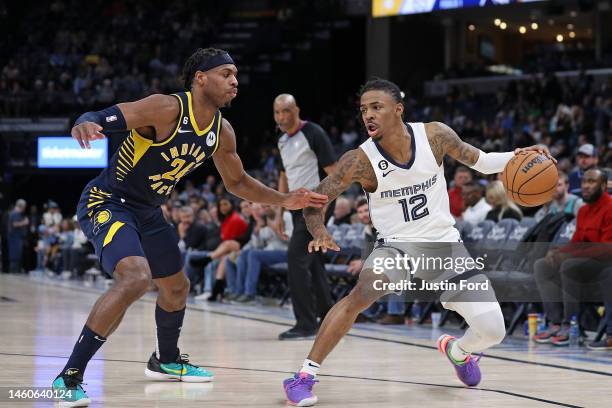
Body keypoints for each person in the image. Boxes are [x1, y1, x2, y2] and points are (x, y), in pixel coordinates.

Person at [53, 48, 328, 406]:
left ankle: (165, 360)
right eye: (226, 74)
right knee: (136, 277)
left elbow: (238, 182)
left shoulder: (221, 131)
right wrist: (86, 122)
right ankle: (68, 376)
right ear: (201, 78)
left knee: (177, 287)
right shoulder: (166, 108)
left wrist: (285, 200)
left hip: (149, 211)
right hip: (108, 200)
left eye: (236, 75)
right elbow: (102, 116)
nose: (235, 81)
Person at [282, 78, 552, 406]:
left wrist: (518, 156)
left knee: (494, 330)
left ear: (398, 109)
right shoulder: (359, 159)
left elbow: (480, 161)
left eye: (376, 107)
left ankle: (459, 350)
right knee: (361, 294)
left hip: (444, 246)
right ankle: (304, 376)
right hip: (397, 246)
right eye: (364, 109)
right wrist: (319, 231)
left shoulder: (434, 135)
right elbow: (316, 199)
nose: (368, 114)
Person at [273, 93, 337, 340]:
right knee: (314, 262)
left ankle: (305, 323)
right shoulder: (281, 140)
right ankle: (328, 317)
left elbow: (334, 175)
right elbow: (284, 176)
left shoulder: (314, 133)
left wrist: (322, 211)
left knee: (295, 257)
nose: (281, 117)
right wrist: (279, 211)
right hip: (294, 206)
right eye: (277, 112)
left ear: (296, 110)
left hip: (315, 204)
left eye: (286, 111)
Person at [534, 168, 612, 346]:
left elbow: (607, 248)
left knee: (570, 264)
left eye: (591, 182)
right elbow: (576, 242)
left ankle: (570, 325)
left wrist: (569, 255)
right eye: (584, 182)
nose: (585, 186)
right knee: (542, 265)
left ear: (603, 186)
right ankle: (555, 322)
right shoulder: (584, 211)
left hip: (606, 263)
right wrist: (558, 252)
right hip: (586, 263)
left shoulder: (610, 208)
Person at [7, 199, 29, 272]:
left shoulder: (15, 213)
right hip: (15, 238)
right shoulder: (15, 213)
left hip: (16, 238)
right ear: (21, 206)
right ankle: (13, 273)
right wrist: (24, 222)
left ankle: (15, 272)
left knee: (16, 257)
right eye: (24, 207)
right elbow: (14, 224)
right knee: (15, 257)